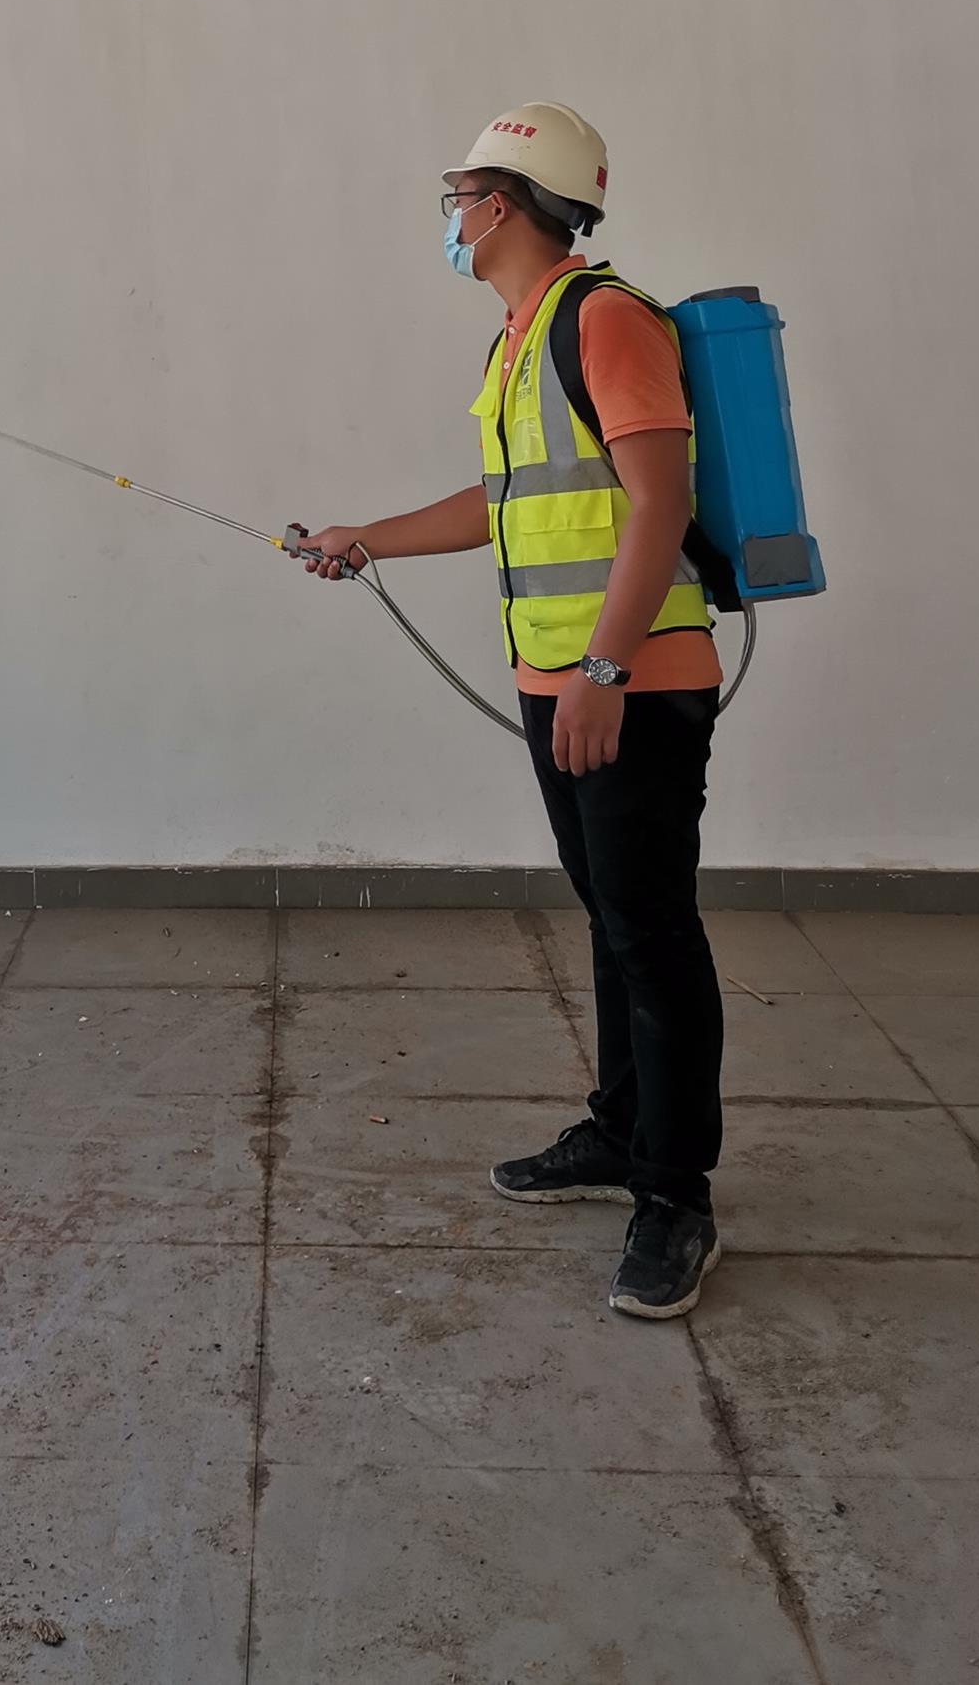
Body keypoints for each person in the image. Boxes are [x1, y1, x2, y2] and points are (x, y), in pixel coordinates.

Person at [301, 102, 725, 1319]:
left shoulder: (608, 320)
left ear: (505, 204)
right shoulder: (519, 338)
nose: (450, 216)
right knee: (610, 914)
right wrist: (363, 538)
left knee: (652, 929)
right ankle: (618, 1130)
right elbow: (505, 501)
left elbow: (657, 501)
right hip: (563, 678)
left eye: (460, 195)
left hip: (627, 681)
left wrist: (603, 669)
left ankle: (676, 1195)